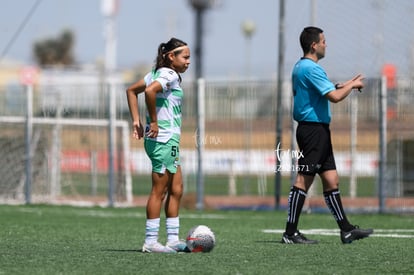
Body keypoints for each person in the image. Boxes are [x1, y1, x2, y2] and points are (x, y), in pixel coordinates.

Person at [281, 26, 373, 244]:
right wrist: (352, 87)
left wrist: (348, 83)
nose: (326, 44)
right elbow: (334, 96)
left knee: (331, 179)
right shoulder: (311, 68)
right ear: (314, 45)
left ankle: (346, 230)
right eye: (323, 41)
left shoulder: (302, 66)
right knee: (303, 180)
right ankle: (290, 233)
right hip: (313, 130)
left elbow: (326, 90)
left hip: (318, 130)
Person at [126, 38, 190, 253]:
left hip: (168, 140)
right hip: (162, 139)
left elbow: (131, 91)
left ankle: (172, 239)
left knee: (177, 188)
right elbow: (150, 92)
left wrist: (136, 120)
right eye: (185, 57)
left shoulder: (155, 73)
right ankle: (151, 242)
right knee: (159, 191)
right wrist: (152, 121)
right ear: (171, 57)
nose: (188, 62)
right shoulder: (168, 74)